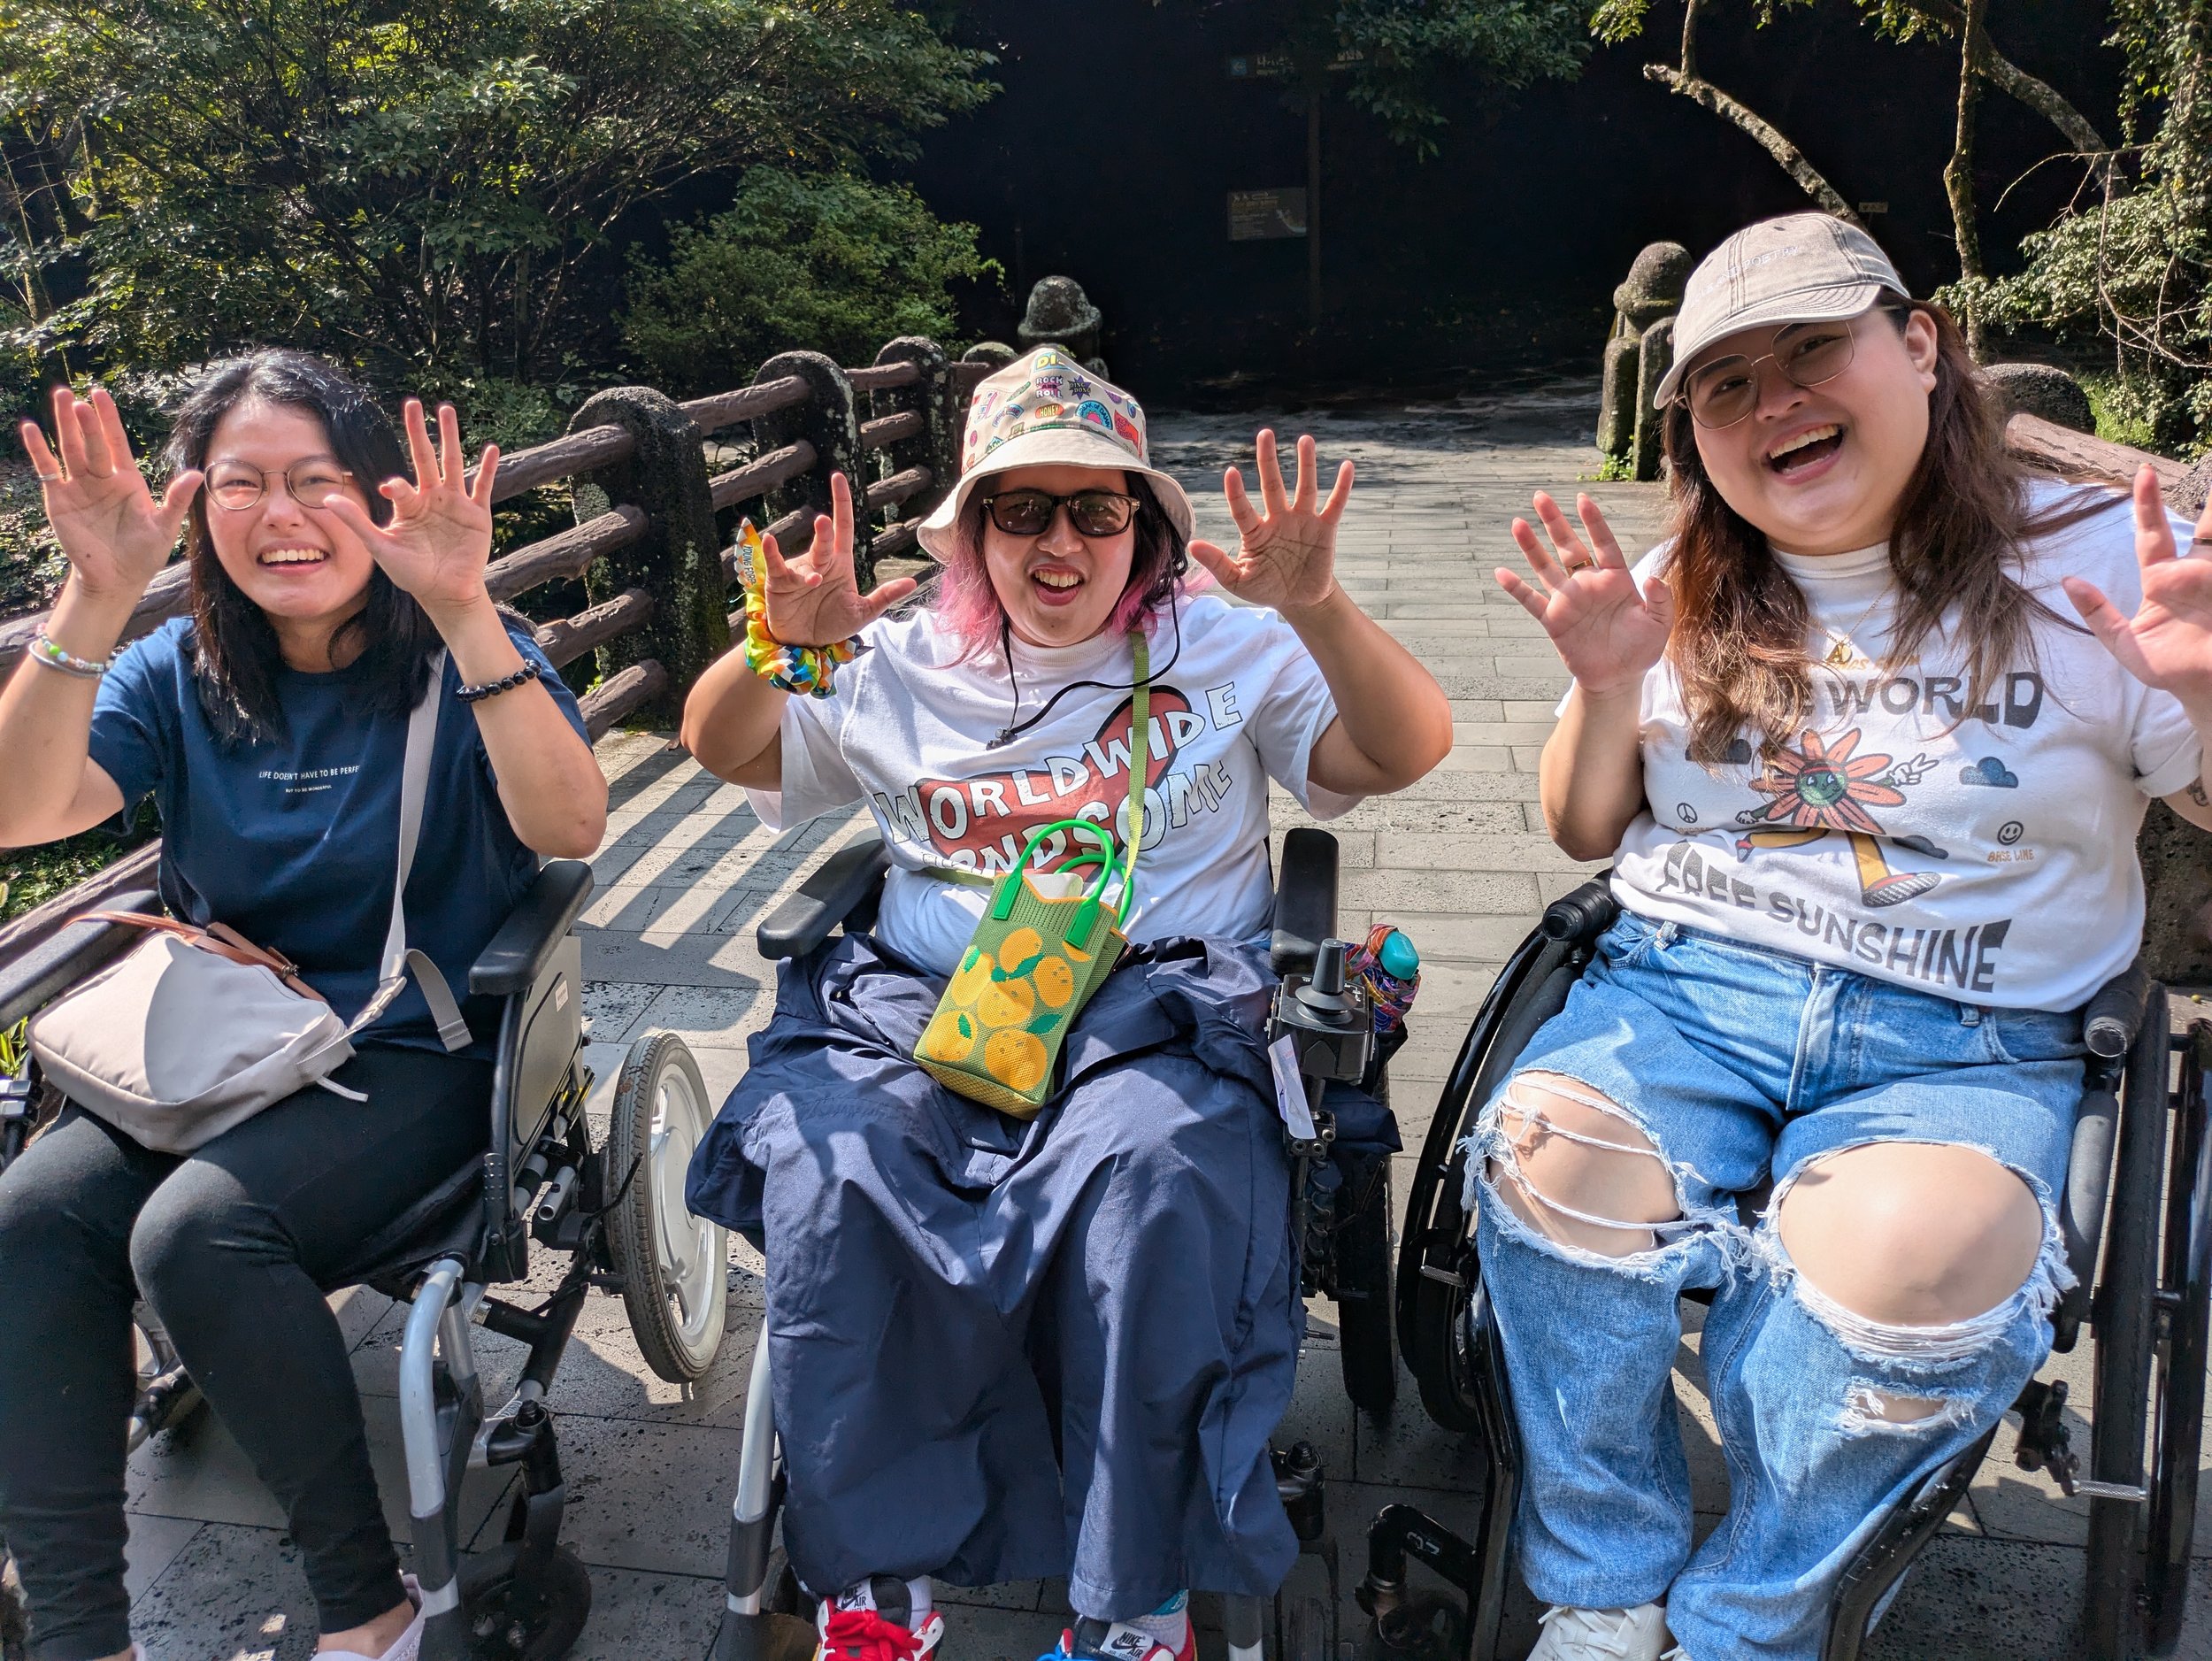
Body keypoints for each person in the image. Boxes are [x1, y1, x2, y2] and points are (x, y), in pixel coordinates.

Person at [1477, 210, 2212, 1661]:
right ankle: (1603, 1585)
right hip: (1691, 990)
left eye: (1815, 349)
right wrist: (1611, 687)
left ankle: (1752, 1612)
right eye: (1727, 385)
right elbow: (1582, 826)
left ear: (1922, 343)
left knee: (1908, 1265)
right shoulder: (1693, 561)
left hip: (1970, 1032)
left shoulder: (2103, 560)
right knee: (1543, 1152)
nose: (1775, 403)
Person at [680, 349, 1452, 1661]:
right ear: (973, 530)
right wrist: (779, 648)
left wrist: (1318, 606)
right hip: (922, 999)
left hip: (1158, 1002)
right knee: (844, 1165)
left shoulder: (1228, 641)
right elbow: (723, 741)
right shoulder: (895, 656)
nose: (1060, 539)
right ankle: (880, 1583)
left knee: (1150, 1179)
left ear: (1145, 528)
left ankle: (1140, 1605)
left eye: (1097, 508)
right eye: (1021, 507)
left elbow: (1402, 746)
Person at [0, 350, 605, 1661]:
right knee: (30, 1215)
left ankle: (369, 1606)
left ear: (376, 491)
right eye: (242, 485)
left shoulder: (456, 651)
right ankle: (77, 1635)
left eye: (315, 480)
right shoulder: (176, 669)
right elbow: (19, 814)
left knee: (195, 1233)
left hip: (412, 1052)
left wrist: (463, 608)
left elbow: (570, 824)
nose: (281, 516)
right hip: (224, 1048)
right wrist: (94, 598)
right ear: (197, 510)